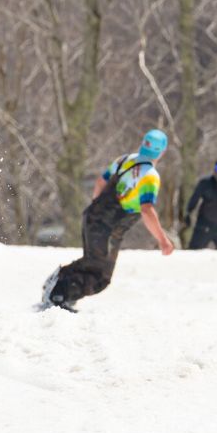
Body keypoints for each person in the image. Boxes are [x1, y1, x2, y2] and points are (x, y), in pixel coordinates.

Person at [42, 129, 176, 312]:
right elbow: (147, 209)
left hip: (93, 217)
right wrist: (163, 240)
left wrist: (97, 210)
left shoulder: (125, 160)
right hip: (109, 227)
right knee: (101, 276)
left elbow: (100, 182)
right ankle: (58, 293)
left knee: (94, 264)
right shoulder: (150, 176)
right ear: (162, 152)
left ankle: (60, 287)